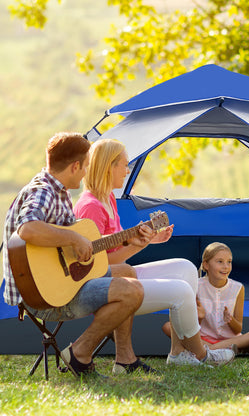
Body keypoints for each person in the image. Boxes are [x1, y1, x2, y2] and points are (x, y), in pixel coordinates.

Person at [73, 138, 234, 367]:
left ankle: (178, 354)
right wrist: (136, 246)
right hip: (103, 287)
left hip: (119, 275)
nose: (127, 171)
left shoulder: (107, 198)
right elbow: (97, 264)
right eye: (124, 165)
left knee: (186, 268)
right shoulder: (90, 206)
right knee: (181, 292)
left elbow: (117, 249)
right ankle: (203, 354)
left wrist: (148, 240)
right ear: (109, 166)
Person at [2, 132, 146, 378]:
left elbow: (81, 247)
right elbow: (28, 228)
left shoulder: (59, 192)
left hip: (61, 282)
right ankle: (79, 353)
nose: (85, 174)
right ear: (75, 166)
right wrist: (73, 238)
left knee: (127, 272)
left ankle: (125, 359)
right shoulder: (43, 191)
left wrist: (127, 239)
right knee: (132, 291)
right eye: (85, 168)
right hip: (43, 296)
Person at [162, 242, 249, 353]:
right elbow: (190, 327)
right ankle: (225, 350)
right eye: (220, 261)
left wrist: (230, 321)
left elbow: (238, 329)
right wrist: (199, 318)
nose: (226, 266)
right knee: (168, 326)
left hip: (230, 339)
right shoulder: (195, 286)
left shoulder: (238, 288)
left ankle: (210, 350)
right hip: (203, 338)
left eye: (229, 262)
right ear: (206, 265)